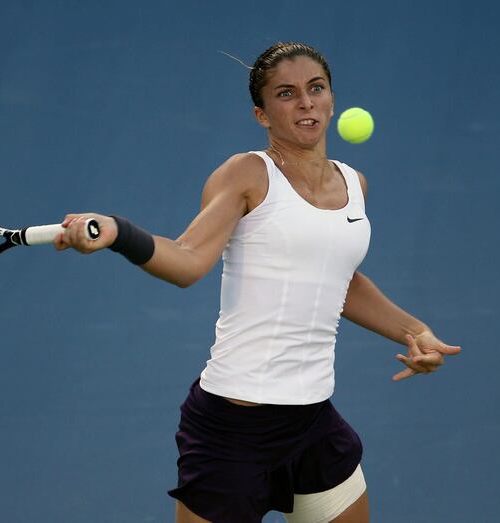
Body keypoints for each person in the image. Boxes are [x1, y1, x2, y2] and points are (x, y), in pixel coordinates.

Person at [55, 42, 461, 523]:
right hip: (232, 429)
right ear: (262, 115)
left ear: (331, 99)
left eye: (316, 88)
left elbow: (337, 281)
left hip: (313, 424)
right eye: (286, 94)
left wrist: (414, 331)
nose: (306, 102)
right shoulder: (247, 173)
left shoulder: (354, 184)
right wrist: (120, 232)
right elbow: (186, 261)